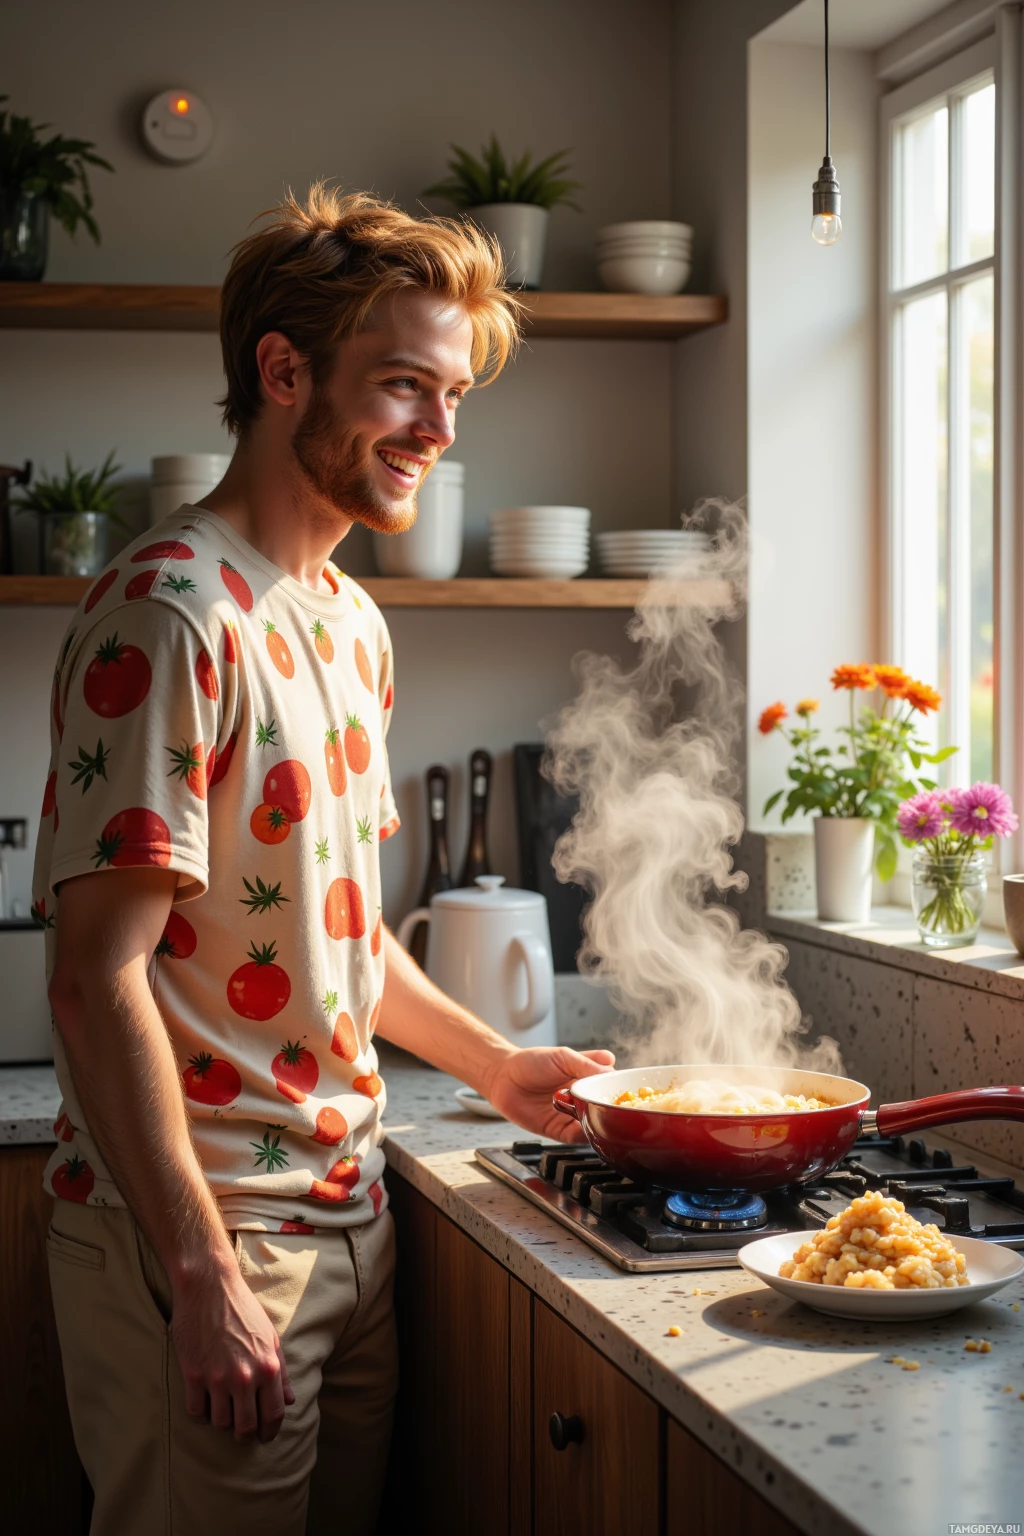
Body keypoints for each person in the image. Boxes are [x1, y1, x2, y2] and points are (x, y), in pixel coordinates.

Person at [35, 185, 614, 1536]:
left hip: (349, 1220)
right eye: (405, 384)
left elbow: (339, 935)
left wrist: (494, 1065)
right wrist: (196, 1269)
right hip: (207, 1235)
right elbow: (92, 980)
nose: (439, 429)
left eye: (454, 393)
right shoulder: (169, 616)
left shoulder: (350, 621)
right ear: (282, 373)